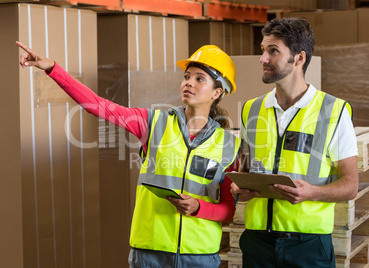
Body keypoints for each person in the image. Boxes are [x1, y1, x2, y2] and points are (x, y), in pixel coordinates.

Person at [17, 42, 242, 268]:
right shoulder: (153, 122)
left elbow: (228, 209)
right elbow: (97, 105)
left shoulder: (229, 146)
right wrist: (53, 69)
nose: (189, 83)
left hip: (199, 257)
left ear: (217, 91)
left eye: (199, 79)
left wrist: (198, 208)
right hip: (149, 253)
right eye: (186, 76)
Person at [231, 18, 359, 268]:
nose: (263, 59)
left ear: (299, 58)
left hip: (308, 246)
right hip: (257, 243)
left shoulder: (333, 111)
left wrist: (312, 192)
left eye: (273, 51)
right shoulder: (251, 109)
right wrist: (241, 188)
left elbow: (350, 185)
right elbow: (245, 170)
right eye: (263, 50)